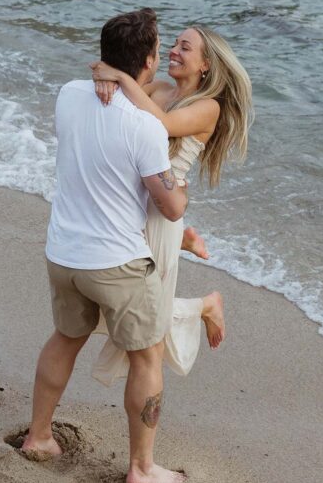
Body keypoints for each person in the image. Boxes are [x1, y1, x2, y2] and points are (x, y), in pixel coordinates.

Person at [22, 8, 189, 483]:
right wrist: (181, 187)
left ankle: (39, 436)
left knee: (65, 339)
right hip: (116, 263)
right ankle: (141, 467)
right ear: (150, 61)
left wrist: (108, 75)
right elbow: (171, 207)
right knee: (147, 357)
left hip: (63, 253)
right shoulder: (145, 127)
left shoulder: (68, 95)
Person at [90, 26, 253, 385]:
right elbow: (117, 108)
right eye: (175, 44)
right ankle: (195, 273)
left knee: (145, 316)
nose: (175, 52)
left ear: (206, 65)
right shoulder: (159, 90)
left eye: (185, 47)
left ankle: (206, 304)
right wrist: (106, 80)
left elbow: (160, 123)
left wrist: (115, 74)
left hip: (161, 217)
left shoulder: (206, 108)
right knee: (118, 302)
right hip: (129, 206)